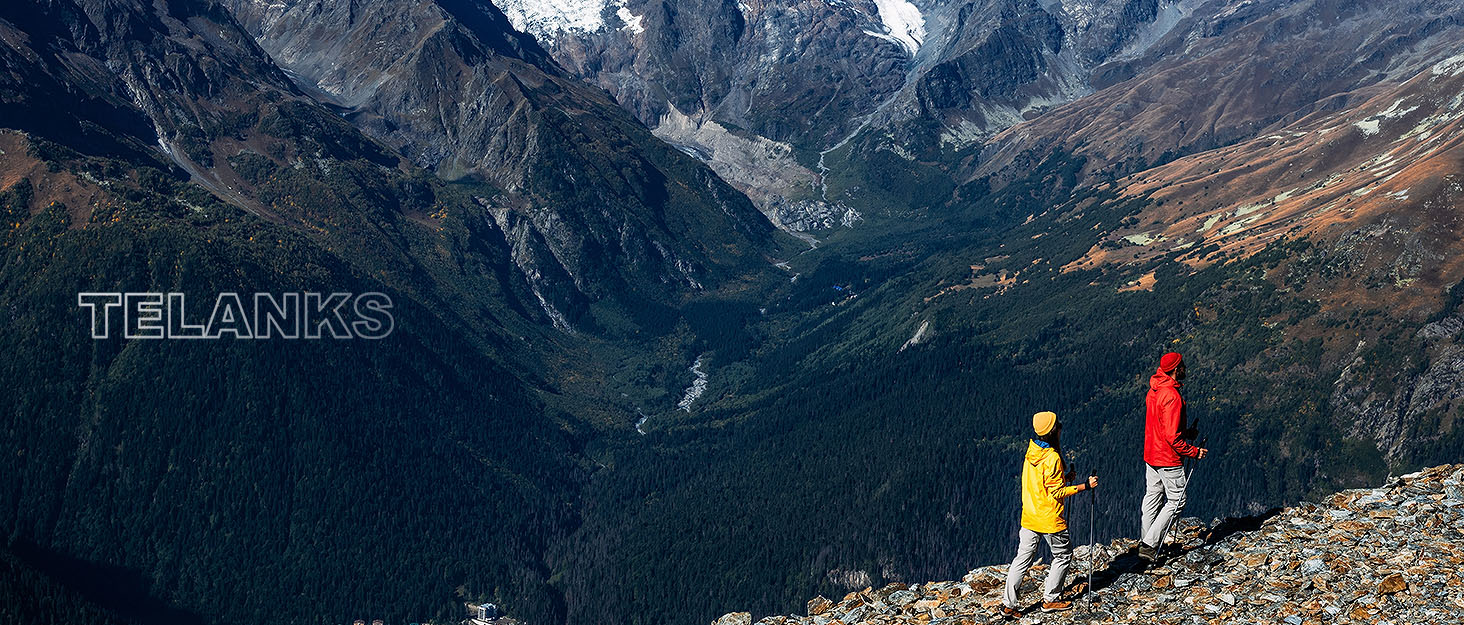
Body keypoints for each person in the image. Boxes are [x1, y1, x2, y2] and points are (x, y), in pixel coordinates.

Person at [1000, 411, 1098, 618]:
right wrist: (1085, 486)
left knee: (1022, 558)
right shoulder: (1052, 457)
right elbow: (1056, 492)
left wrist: (1064, 477)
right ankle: (1051, 599)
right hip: (1049, 518)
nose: (1061, 427)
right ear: (1054, 431)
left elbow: (1041, 483)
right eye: (1058, 425)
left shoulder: (1032, 451)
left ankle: (1008, 604)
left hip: (1030, 515)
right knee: (1063, 555)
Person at [1138, 352, 1208, 563]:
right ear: (1176, 369)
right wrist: (1194, 451)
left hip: (1151, 452)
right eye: (1182, 365)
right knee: (1177, 500)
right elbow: (1171, 437)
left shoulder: (1154, 390)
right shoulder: (1172, 396)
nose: (1185, 367)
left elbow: (1162, 425)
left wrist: (1185, 432)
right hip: (1168, 458)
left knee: (1152, 497)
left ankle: (1146, 542)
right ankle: (1150, 545)